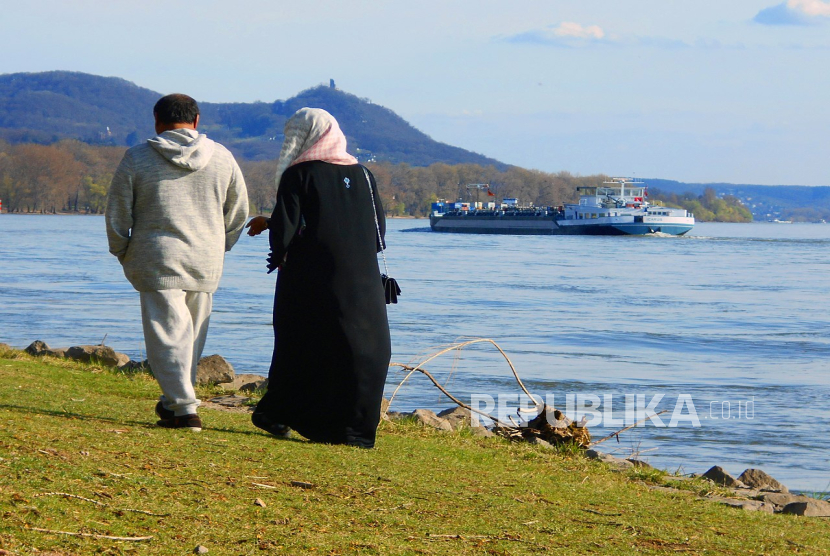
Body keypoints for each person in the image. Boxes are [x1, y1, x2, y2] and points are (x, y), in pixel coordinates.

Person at [246, 107, 391, 448]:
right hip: (364, 281)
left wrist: (273, 232)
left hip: (310, 280)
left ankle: (281, 412)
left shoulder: (300, 174)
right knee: (358, 347)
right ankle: (353, 428)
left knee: (302, 344)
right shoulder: (365, 175)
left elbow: (286, 231)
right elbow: (378, 233)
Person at [105, 93, 249, 432]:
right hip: (205, 258)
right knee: (191, 336)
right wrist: (220, 245)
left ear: (156, 120)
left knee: (168, 335)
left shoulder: (138, 157)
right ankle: (173, 404)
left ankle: (185, 410)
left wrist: (122, 251)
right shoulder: (223, 157)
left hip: (157, 256)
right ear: (197, 121)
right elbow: (238, 212)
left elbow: (117, 211)